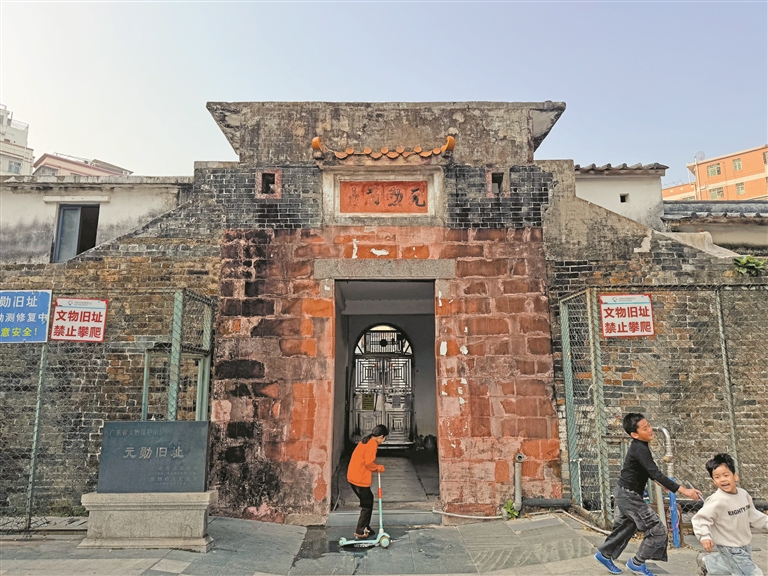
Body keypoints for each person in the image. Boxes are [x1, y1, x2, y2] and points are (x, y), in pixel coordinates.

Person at [594, 413, 703, 575]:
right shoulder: (639, 448)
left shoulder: (640, 447)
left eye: (649, 425)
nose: (650, 430)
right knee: (656, 529)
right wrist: (684, 490)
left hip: (625, 494)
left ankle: (604, 554)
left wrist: (664, 485)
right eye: (645, 428)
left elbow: (648, 471)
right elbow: (655, 473)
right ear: (635, 434)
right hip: (629, 496)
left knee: (626, 528)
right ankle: (637, 563)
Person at [692, 453, 768, 576]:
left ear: (735, 476)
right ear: (714, 481)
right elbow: (701, 518)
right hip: (729, 547)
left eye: (726, 475)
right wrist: (704, 536)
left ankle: (708, 562)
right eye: (717, 477)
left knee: (733, 566)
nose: (722, 479)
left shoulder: (743, 494)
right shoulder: (717, 500)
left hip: (744, 544)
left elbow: (753, 514)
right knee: (752, 573)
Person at [346, 424, 388, 540]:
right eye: (384, 438)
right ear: (381, 436)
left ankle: (366, 527)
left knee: (367, 500)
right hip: (360, 478)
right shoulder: (372, 444)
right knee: (367, 505)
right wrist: (378, 467)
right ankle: (360, 531)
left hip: (353, 476)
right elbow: (369, 463)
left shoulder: (366, 440)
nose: (383, 441)